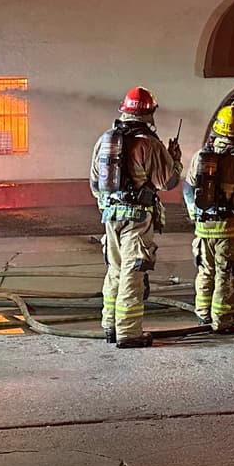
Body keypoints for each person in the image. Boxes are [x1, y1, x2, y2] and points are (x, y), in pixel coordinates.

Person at [89, 86, 182, 348]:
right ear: (150, 113)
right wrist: (174, 160)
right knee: (133, 274)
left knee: (115, 270)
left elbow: (95, 184)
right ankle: (128, 333)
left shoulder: (105, 141)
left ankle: (110, 326)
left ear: (124, 110)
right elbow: (168, 182)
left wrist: (110, 208)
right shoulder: (149, 144)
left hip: (110, 216)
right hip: (137, 219)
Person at [183, 105, 234, 334]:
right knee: (225, 274)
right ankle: (223, 320)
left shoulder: (201, 156)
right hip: (230, 229)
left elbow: (188, 189)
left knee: (205, 271)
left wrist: (195, 215)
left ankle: (203, 315)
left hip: (203, 228)